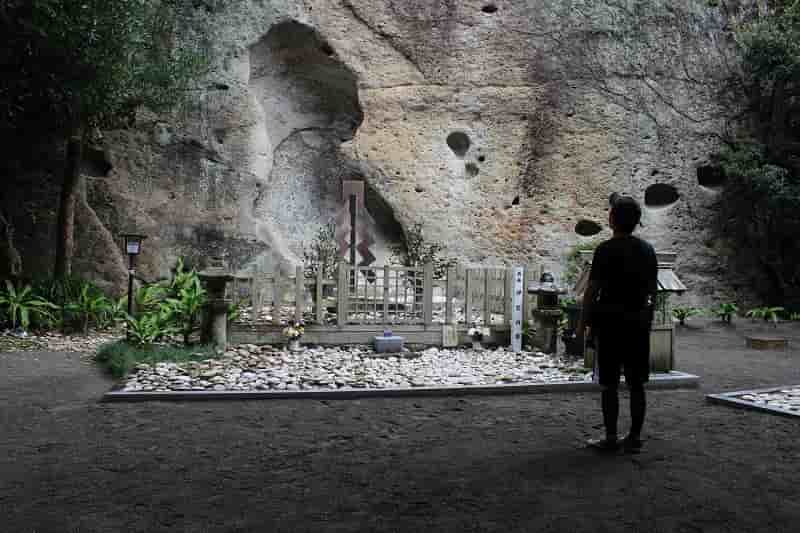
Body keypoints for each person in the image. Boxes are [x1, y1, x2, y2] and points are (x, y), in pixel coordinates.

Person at [578, 193, 658, 453]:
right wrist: (648, 320)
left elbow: (592, 291)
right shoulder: (647, 250)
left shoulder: (605, 250)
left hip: (610, 323)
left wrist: (582, 325)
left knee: (609, 384)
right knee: (637, 384)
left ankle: (611, 437)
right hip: (637, 323)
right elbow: (651, 293)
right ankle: (634, 438)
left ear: (612, 219)